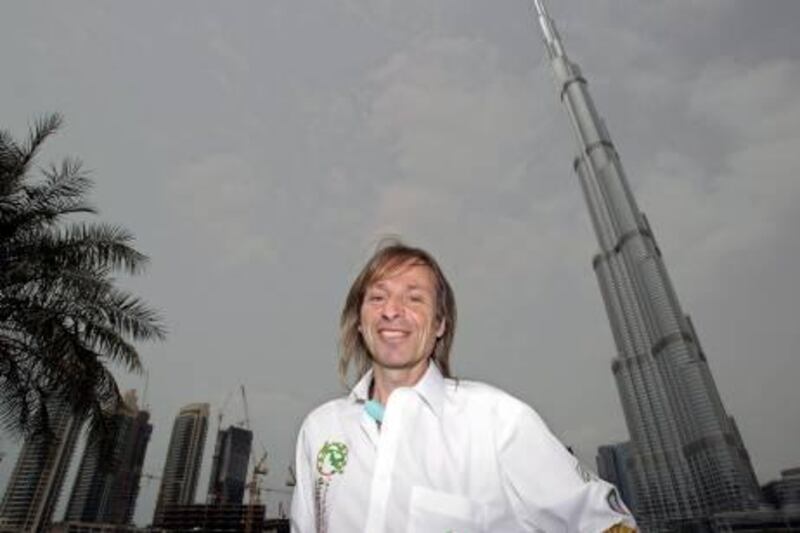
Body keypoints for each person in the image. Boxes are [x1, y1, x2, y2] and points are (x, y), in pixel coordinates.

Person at [291, 241, 636, 532]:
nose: (391, 311)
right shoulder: (321, 429)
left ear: (440, 323)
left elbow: (606, 523)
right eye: (377, 298)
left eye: (414, 299)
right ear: (361, 321)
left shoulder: (499, 421)